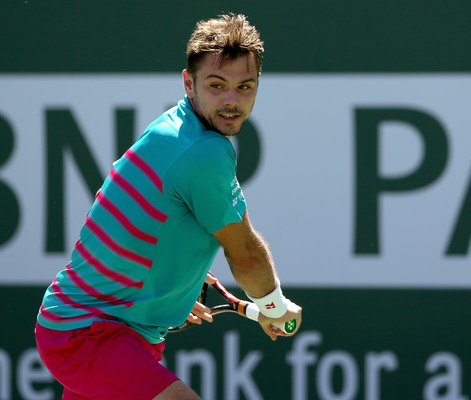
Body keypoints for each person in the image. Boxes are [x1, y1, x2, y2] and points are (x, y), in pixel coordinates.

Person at [35, 13, 303, 400]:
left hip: (104, 331)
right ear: (189, 83)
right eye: (217, 85)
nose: (231, 100)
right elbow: (243, 253)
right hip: (89, 333)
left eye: (244, 86)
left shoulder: (175, 126)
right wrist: (275, 305)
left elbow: (149, 223)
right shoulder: (205, 152)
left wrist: (175, 285)